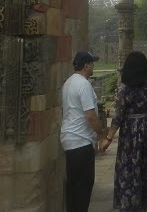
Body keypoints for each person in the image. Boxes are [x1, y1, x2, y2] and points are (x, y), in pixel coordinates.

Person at [99, 51, 147, 211]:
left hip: (130, 134)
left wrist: (108, 138)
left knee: (129, 171)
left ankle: (130, 206)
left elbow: (118, 118)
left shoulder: (124, 90)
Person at [61, 51, 105, 212]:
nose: (93, 66)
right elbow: (90, 115)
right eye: (92, 63)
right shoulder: (83, 84)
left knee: (74, 186)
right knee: (83, 187)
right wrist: (101, 133)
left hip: (70, 140)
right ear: (86, 65)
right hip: (81, 141)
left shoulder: (69, 83)